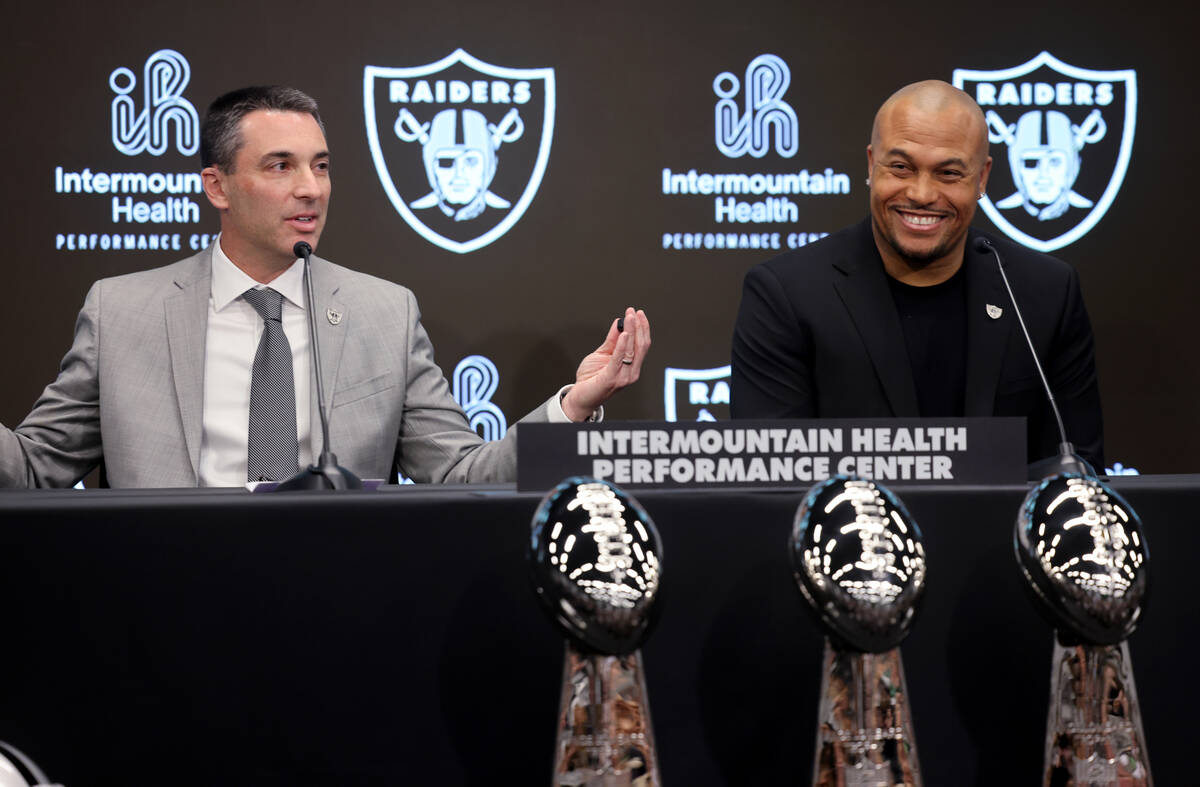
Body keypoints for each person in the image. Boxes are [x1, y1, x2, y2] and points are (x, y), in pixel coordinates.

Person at [0, 86, 650, 488]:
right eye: (279, 166)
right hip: (163, 613)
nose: (310, 187)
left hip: (338, 616)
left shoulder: (382, 313)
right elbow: (33, 469)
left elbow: (458, 475)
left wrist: (571, 406)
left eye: (320, 166)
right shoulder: (123, 312)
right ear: (216, 186)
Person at [731, 80, 1103, 470]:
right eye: (901, 168)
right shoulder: (787, 295)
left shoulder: (1044, 292)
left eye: (948, 173)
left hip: (1002, 531)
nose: (922, 193)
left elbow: (1077, 473)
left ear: (982, 178)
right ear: (871, 165)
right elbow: (773, 479)